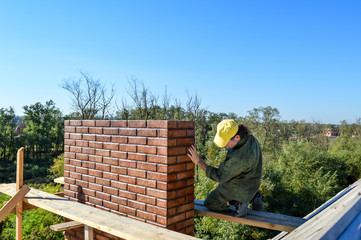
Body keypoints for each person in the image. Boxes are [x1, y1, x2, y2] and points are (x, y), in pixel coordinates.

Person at [188, 119, 263, 217]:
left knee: (211, 202)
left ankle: (239, 203)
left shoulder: (238, 157)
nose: (224, 145)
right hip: (253, 183)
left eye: (226, 142)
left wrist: (198, 161)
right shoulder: (251, 138)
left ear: (237, 137)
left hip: (241, 185)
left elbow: (220, 176)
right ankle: (253, 196)